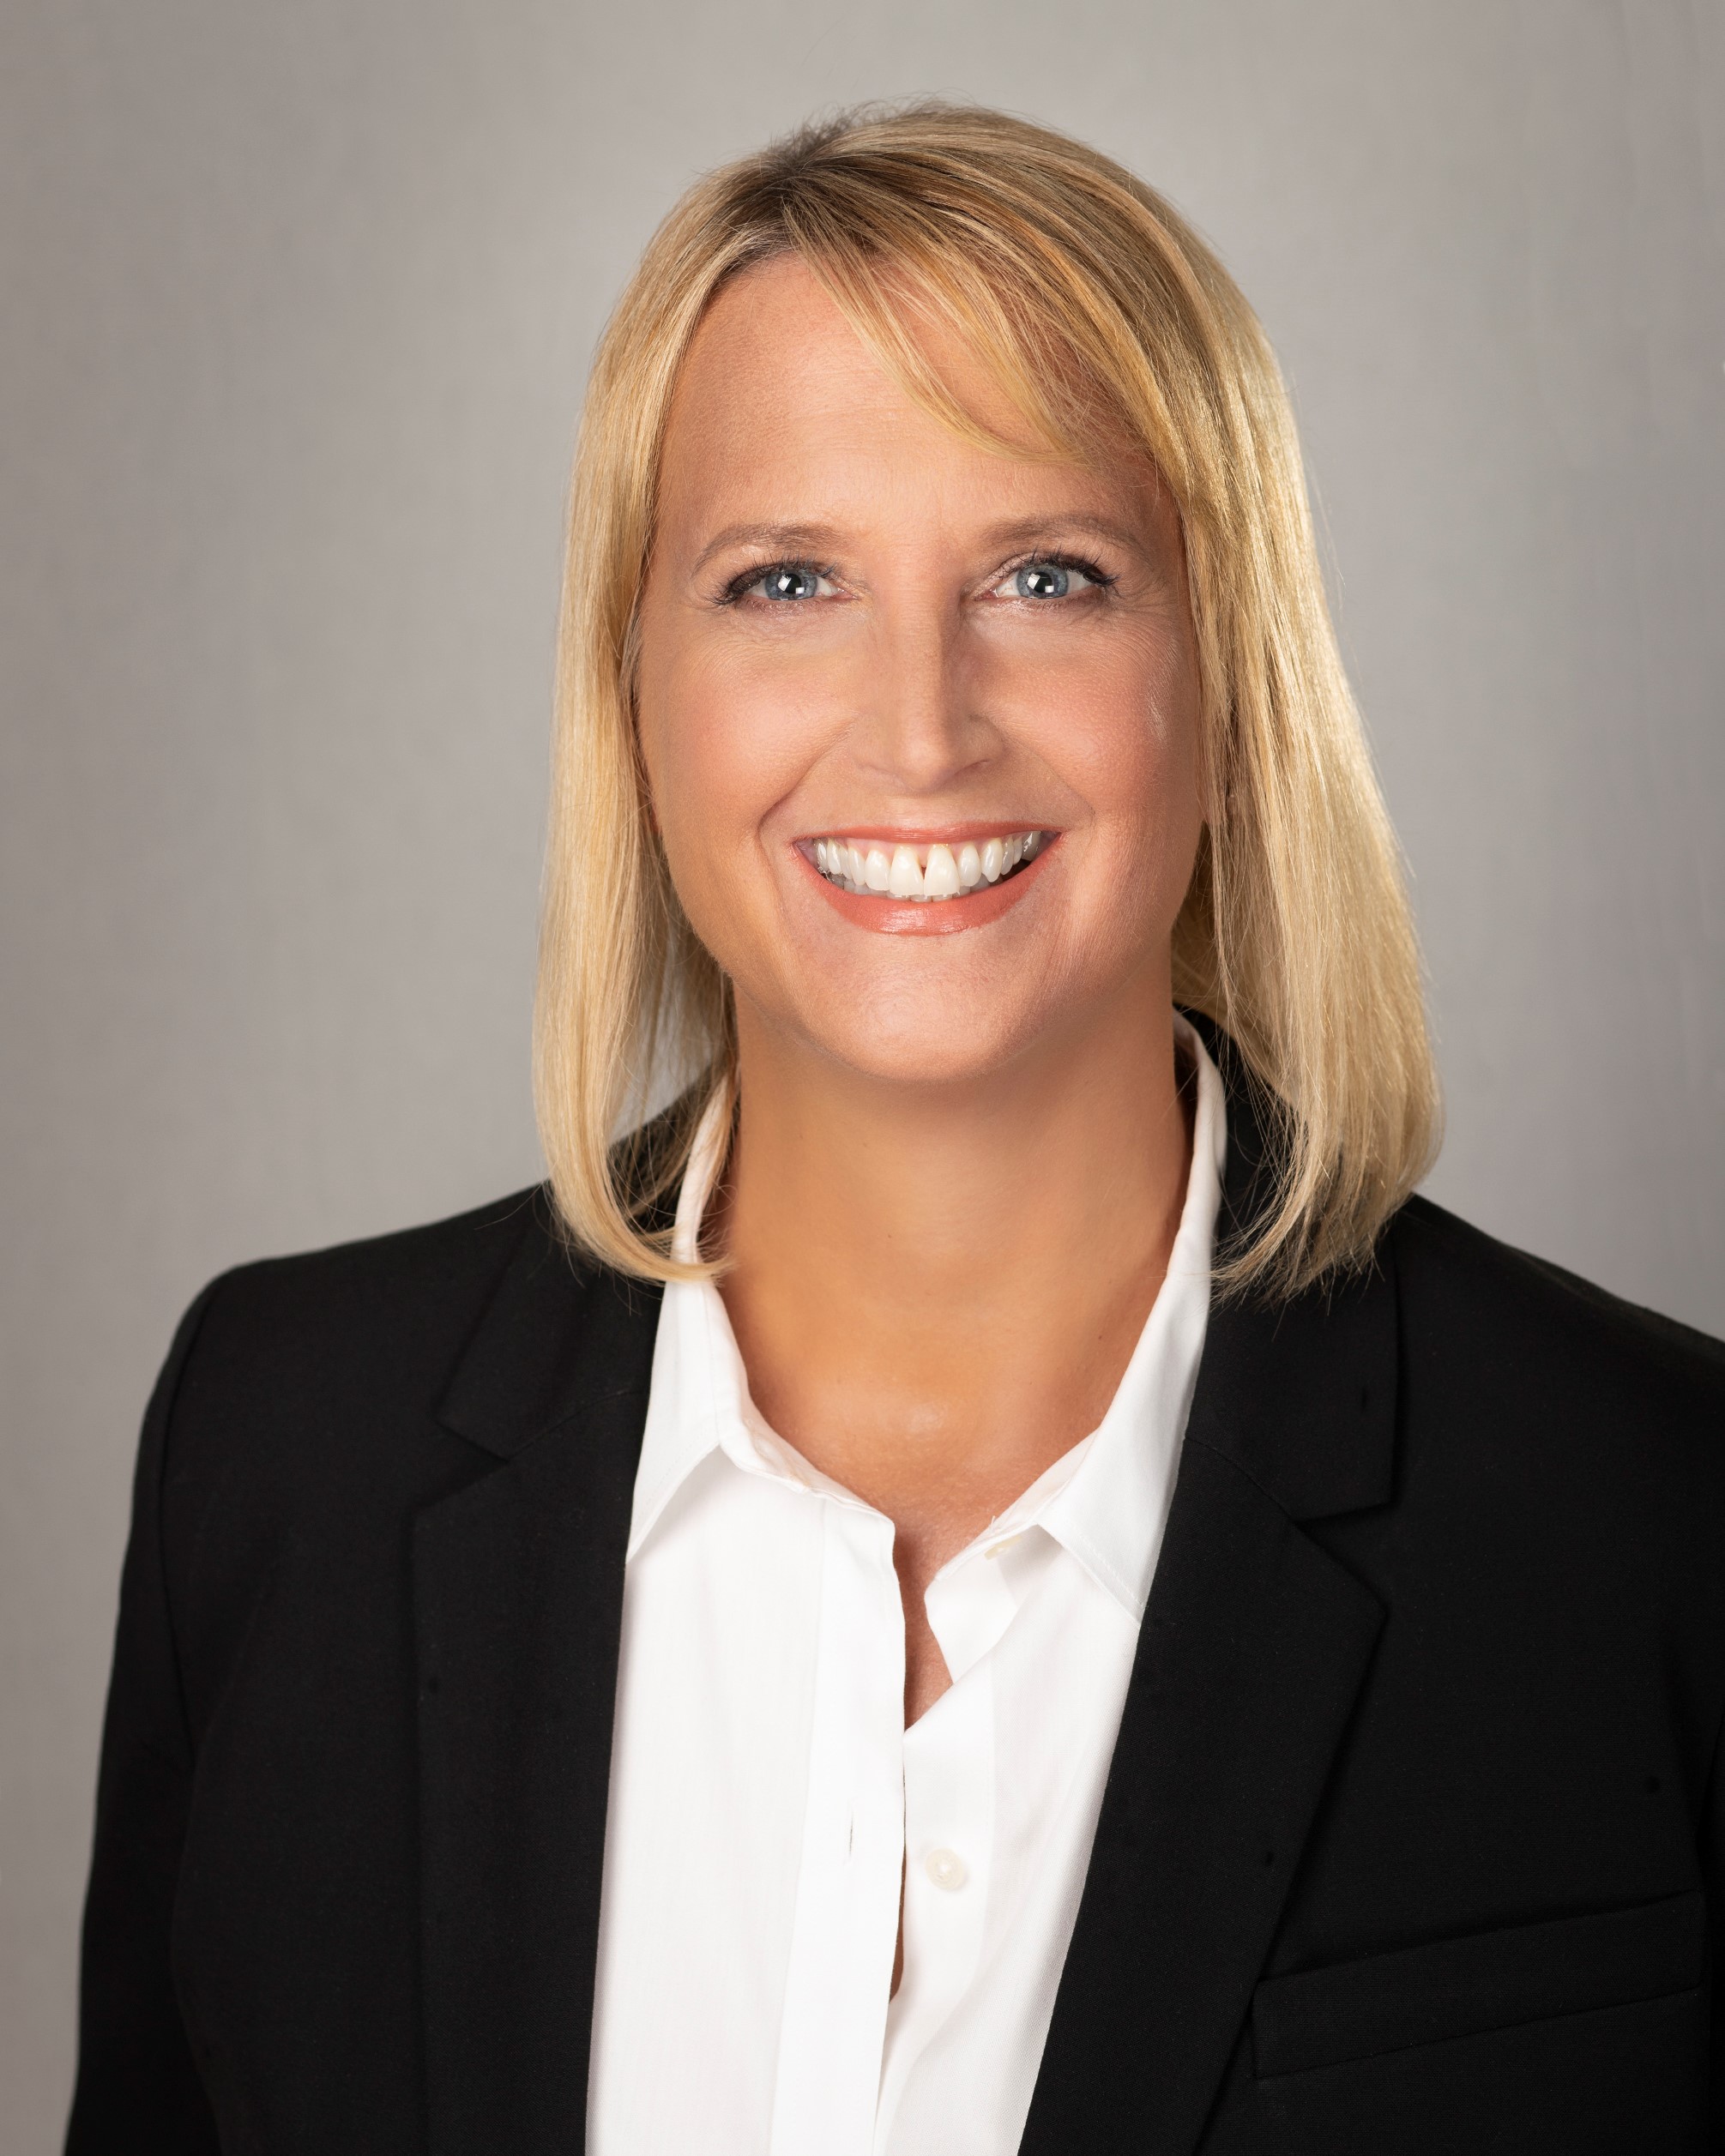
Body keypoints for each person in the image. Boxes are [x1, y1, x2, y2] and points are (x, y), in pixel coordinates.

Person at [68, 103, 1723, 2156]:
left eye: (1050, 574)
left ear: (1230, 680)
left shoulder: (1660, 1523)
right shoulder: (281, 1453)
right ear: (636, 692)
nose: (921, 724)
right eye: (784, 580)